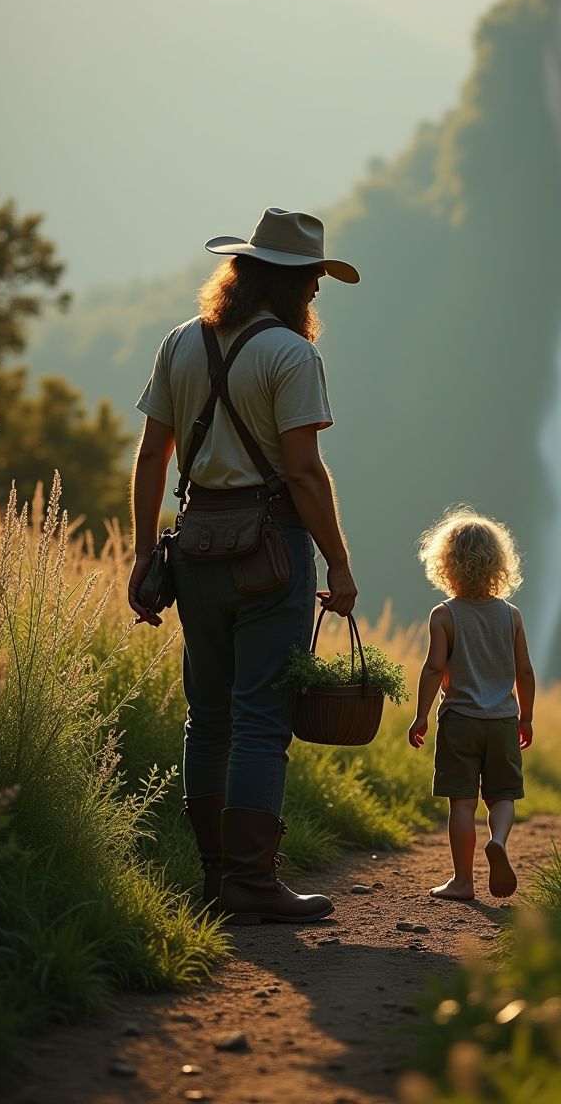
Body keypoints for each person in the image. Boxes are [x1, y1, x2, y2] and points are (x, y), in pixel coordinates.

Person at [127, 208, 359, 924]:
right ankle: (253, 883)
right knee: (261, 722)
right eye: (314, 282)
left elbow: (150, 456)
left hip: (193, 546)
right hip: (270, 554)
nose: (317, 294)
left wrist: (142, 554)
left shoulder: (180, 343)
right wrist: (340, 565)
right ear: (288, 283)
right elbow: (304, 474)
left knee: (210, 716)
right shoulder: (292, 355)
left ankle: (215, 876)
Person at [408, 508, 535, 900]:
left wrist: (421, 715)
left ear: (446, 563)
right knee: (502, 796)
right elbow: (525, 672)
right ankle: (497, 840)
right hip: (501, 720)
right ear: (498, 563)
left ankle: (463, 881)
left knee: (461, 804)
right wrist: (526, 718)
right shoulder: (510, 615)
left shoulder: (444, 614)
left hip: (460, 719)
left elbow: (433, 669)